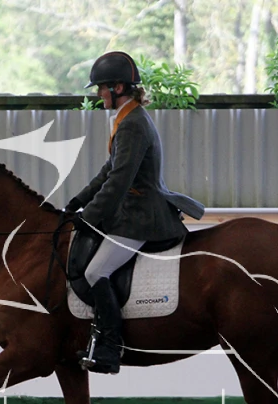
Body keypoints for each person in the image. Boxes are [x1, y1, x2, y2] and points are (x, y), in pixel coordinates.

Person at [65, 50, 205, 375]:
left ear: (117, 88)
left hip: (142, 217)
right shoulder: (126, 118)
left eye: (101, 88)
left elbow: (119, 181)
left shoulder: (133, 125)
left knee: (96, 272)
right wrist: (76, 201)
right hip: (131, 211)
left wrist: (89, 217)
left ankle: (109, 348)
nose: (99, 94)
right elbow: (108, 170)